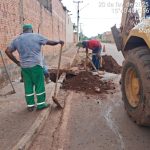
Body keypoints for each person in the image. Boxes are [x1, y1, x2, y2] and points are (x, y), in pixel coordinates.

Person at [5, 24, 64, 111]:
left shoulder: (17, 39)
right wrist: (59, 42)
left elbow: (7, 51)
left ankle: (30, 105)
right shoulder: (36, 36)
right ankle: (40, 105)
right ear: (31, 30)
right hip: (36, 66)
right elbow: (50, 42)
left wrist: (17, 62)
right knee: (39, 85)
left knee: (28, 86)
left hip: (24, 67)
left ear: (23, 30)